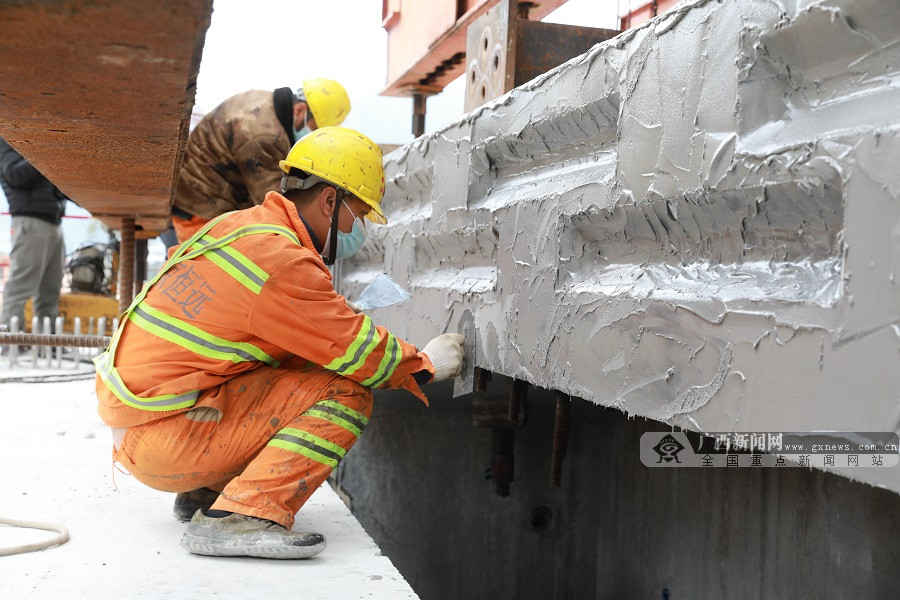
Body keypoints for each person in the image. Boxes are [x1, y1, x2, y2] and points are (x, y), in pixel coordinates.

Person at [95, 126, 466, 559]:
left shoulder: (243, 228)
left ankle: (208, 493)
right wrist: (426, 364)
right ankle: (239, 519)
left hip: (143, 421)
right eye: (358, 214)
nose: (358, 229)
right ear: (330, 200)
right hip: (164, 436)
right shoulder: (283, 260)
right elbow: (363, 356)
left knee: (303, 367)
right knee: (347, 394)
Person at [171, 78, 351, 243]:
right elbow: (272, 204)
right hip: (201, 209)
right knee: (207, 271)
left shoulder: (267, 103)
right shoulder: (266, 135)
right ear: (300, 110)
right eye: (314, 129)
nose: (311, 137)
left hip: (206, 194)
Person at [0, 137, 67, 341]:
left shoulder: (31, 142)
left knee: (50, 288)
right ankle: (11, 342)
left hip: (53, 223)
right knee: (20, 286)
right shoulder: (6, 141)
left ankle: (47, 342)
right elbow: (14, 175)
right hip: (30, 221)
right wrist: (46, 155)